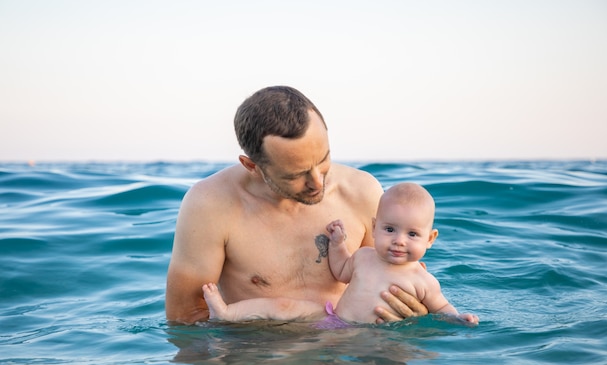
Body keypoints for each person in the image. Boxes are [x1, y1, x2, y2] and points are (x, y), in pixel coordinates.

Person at [165, 86, 428, 324]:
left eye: (323, 160)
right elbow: (185, 318)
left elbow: (391, 278)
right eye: (295, 174)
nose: (317, 183)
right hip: (262, 357)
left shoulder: (362, 192)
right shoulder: (210, 205)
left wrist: (413, 312)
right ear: (252, 166)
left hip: (349, 348)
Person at [202, 182, 479, 326]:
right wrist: (338, 244)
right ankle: (227, 313)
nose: (399, 241)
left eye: (412, 235)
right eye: (390, 229)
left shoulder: (423, 281)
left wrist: (457, 317)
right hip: (333, 319)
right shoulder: (365, 256)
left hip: (373, 335)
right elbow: (341, 271)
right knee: (282, 306)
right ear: (374, 227)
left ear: (430, 239)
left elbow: (440, 307)